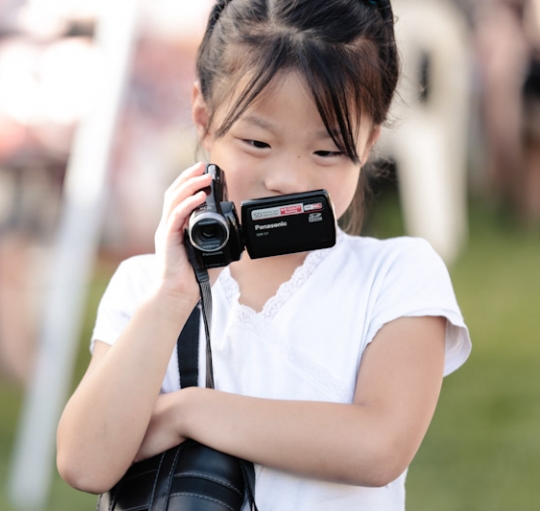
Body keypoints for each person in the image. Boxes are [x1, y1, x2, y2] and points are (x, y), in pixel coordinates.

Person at [56, 0, 472, 509]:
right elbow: (84, 461)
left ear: (368, 143)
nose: (287, 179)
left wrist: (186, 412)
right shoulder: (146, 286)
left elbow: (378, 447)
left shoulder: (396, 277)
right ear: (204, 119)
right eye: (257, 142)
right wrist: (172, 297)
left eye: (326, 151)